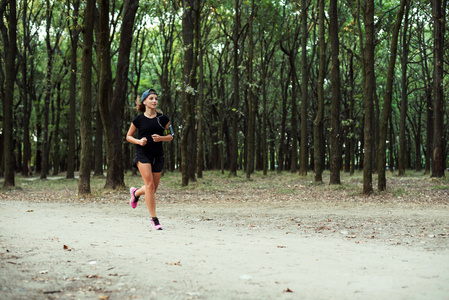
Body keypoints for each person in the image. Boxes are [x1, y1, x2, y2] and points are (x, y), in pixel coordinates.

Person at [126, 88, 173, 230]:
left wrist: (161, 138)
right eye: (151, 98)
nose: (154, 101)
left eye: (156, 99)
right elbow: (128, 136)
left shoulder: (163, 119)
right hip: (143, 154)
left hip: (158, 155)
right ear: (145, 101)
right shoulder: (138, 119)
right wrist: (139, 142)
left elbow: (171, 136)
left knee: (152, 189)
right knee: (150, 186)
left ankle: (135, 193)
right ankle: (154, 220)